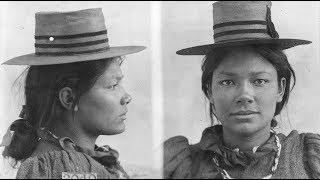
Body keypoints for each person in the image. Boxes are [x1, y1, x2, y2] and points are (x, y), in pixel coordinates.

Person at [164, 1, 320, 179]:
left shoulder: (310, 159)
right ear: (209, 91)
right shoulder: (180, 166)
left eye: (259, 81)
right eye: (228, 82)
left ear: (280, 88)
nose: (245, 95)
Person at [0, 8, 145, 179]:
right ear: (69, 98)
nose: (127, 97)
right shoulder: (63, 166)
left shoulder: (76, 162)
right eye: (113, 86)